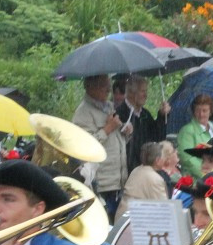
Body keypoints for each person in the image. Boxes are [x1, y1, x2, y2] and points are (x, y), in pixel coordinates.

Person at [72, 74, 128, 220]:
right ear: (90, 87)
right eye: (104, 85)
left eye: (108, 84)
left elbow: (115, 140)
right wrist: (107, 129)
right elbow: (83, 147)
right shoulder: (82, 113)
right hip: (101, 184)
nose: (109, 88)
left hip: (118, 181)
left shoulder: (109, 107)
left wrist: (125, 131)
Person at [116, 75, 170, 174]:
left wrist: (162, 116)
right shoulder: (120, 114)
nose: (146, 95)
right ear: (132, 93)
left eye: (146, 91)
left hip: (147, 168)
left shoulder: (145, 114)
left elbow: (157, 137)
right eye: (143, 91)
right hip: (128, 170)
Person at [177, 94, 213, 179]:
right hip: (196, 180)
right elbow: (187, 159)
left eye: (204, 111)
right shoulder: (187, 131)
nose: (201, 114)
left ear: (210, 112)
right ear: (193, 112)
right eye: (198, 111)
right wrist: (207, 175)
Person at [121, 141, 172, 219]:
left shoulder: (135, 170)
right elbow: (164, 210)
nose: (165, 159)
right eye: (163, 156)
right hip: (135, 223)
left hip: (121, 219)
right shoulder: (156, 179)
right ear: (157, 160)